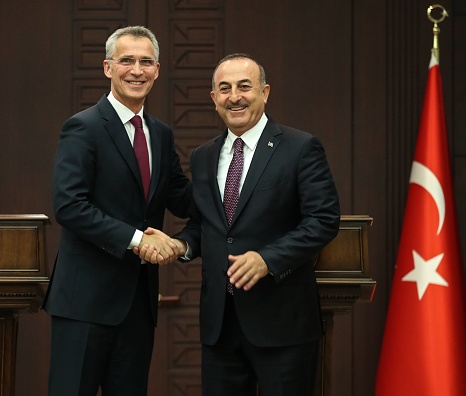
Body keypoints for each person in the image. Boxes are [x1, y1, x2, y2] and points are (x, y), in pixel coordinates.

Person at [139, 53, 340, 395]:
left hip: (282, 324)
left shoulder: (300, 147)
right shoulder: (203, 156)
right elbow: (207, 224)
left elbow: (323, 220)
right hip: (220, 325)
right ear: (214, 98)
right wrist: (182, 245)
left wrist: (267, 259)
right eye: (225, 88)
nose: (235, 96)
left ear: (264, 92)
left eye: (244, 86)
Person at [42, 26, 191, 396]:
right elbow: (69, 206)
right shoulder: (83, 127)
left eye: (145, 62)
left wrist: (231, 174)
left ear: (157, 70)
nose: (136, 70)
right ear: (108, 67)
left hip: (138, 305)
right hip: (85, 304)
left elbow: (182, 198)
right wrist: (137, 240)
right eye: (127, 61)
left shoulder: (161, 134)